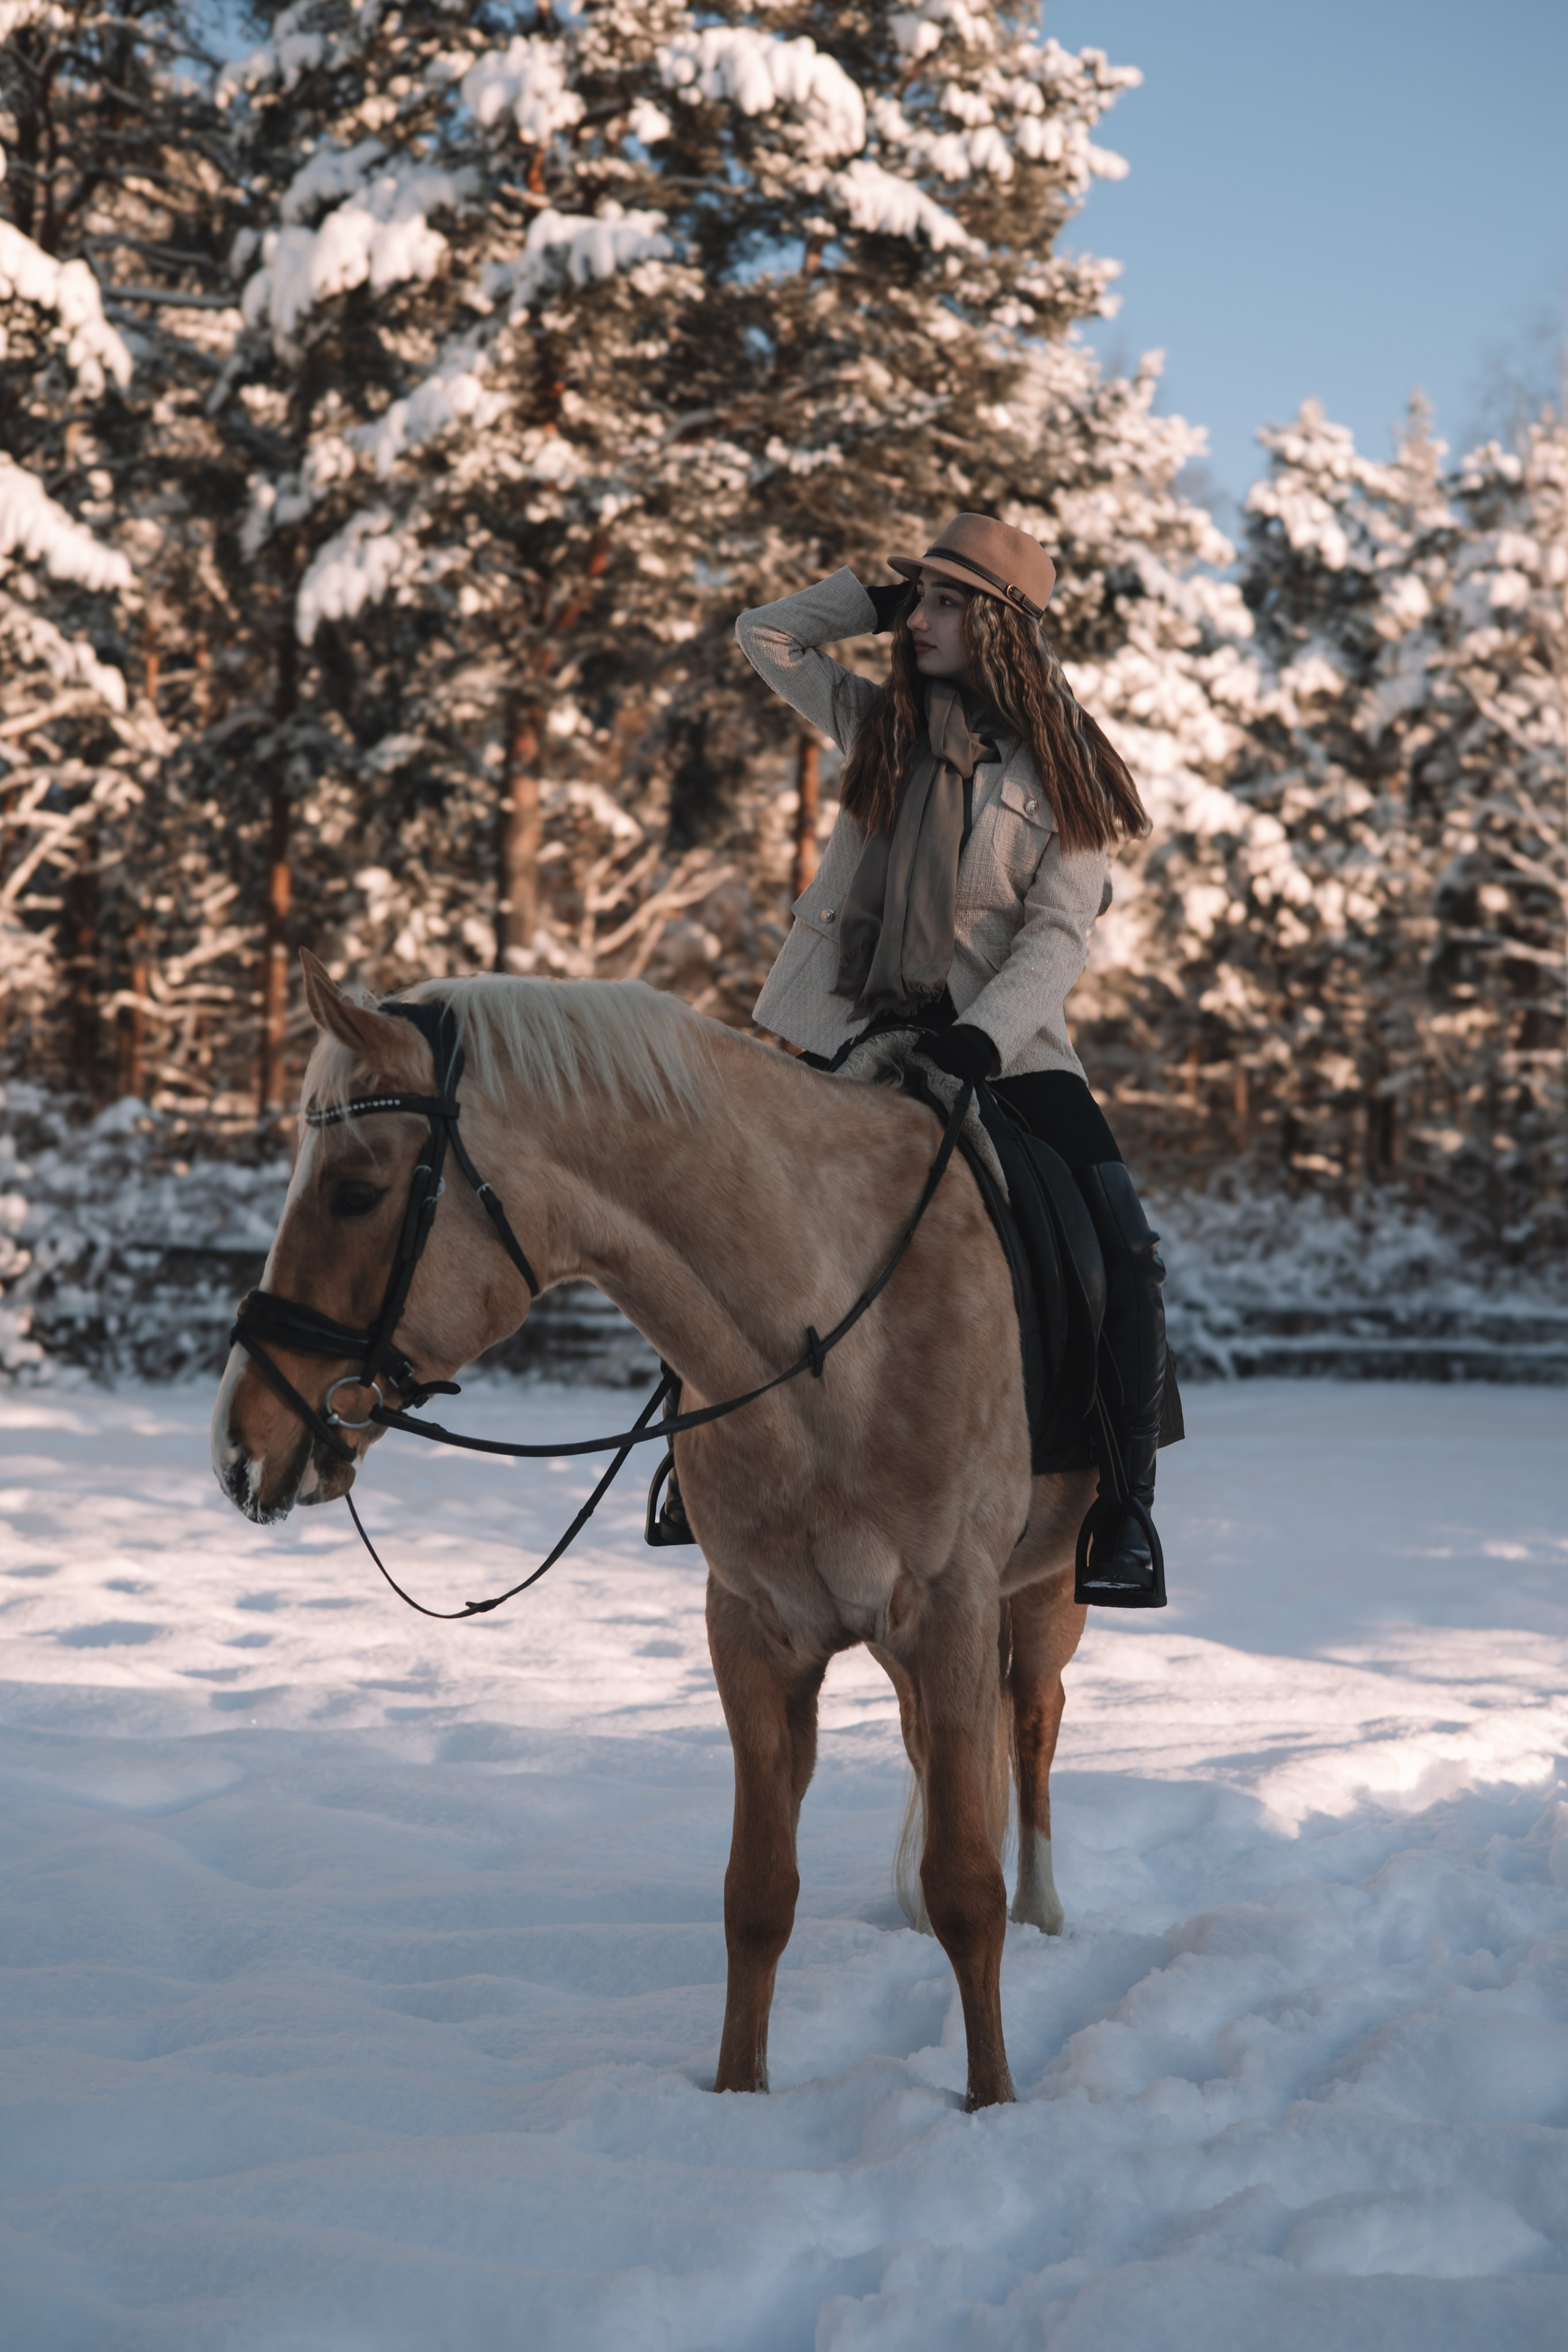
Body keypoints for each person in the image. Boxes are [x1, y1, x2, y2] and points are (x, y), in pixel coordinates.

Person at [734, 513, 1169, 1606]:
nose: (920, 618)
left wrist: (986, 1035)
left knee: (1116, 1243)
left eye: (943, 602)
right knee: (737, 1204)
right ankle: (693, 1466)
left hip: (1003, 1049)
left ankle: (1121, 1504)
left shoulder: (1061, 768)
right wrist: (877, 603)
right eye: (916, 599)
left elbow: (1058, 931)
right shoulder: (877, 722)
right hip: (855, 1032)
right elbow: (766, 637)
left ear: (1000, 627)